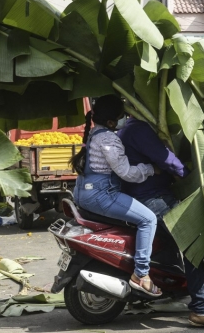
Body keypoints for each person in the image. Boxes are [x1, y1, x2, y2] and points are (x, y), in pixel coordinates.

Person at [118, 117, 204, 330]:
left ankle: (170, 291)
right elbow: (166, 159)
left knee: (172, 242)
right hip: (151, 198)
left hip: (150, 195)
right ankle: (201, 309)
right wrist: (192, 178)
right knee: (193, 242)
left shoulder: (132, 127)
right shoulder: (139, 130)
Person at [70, 95, 162, 297]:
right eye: (122, 116)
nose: (125, 120)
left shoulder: (95, 133)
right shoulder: (109, 138)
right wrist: (151, 169)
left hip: (83, 194)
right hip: (101, 195)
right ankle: (141, 275)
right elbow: (127, 173)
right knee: (148, 219)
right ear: (111, 122)